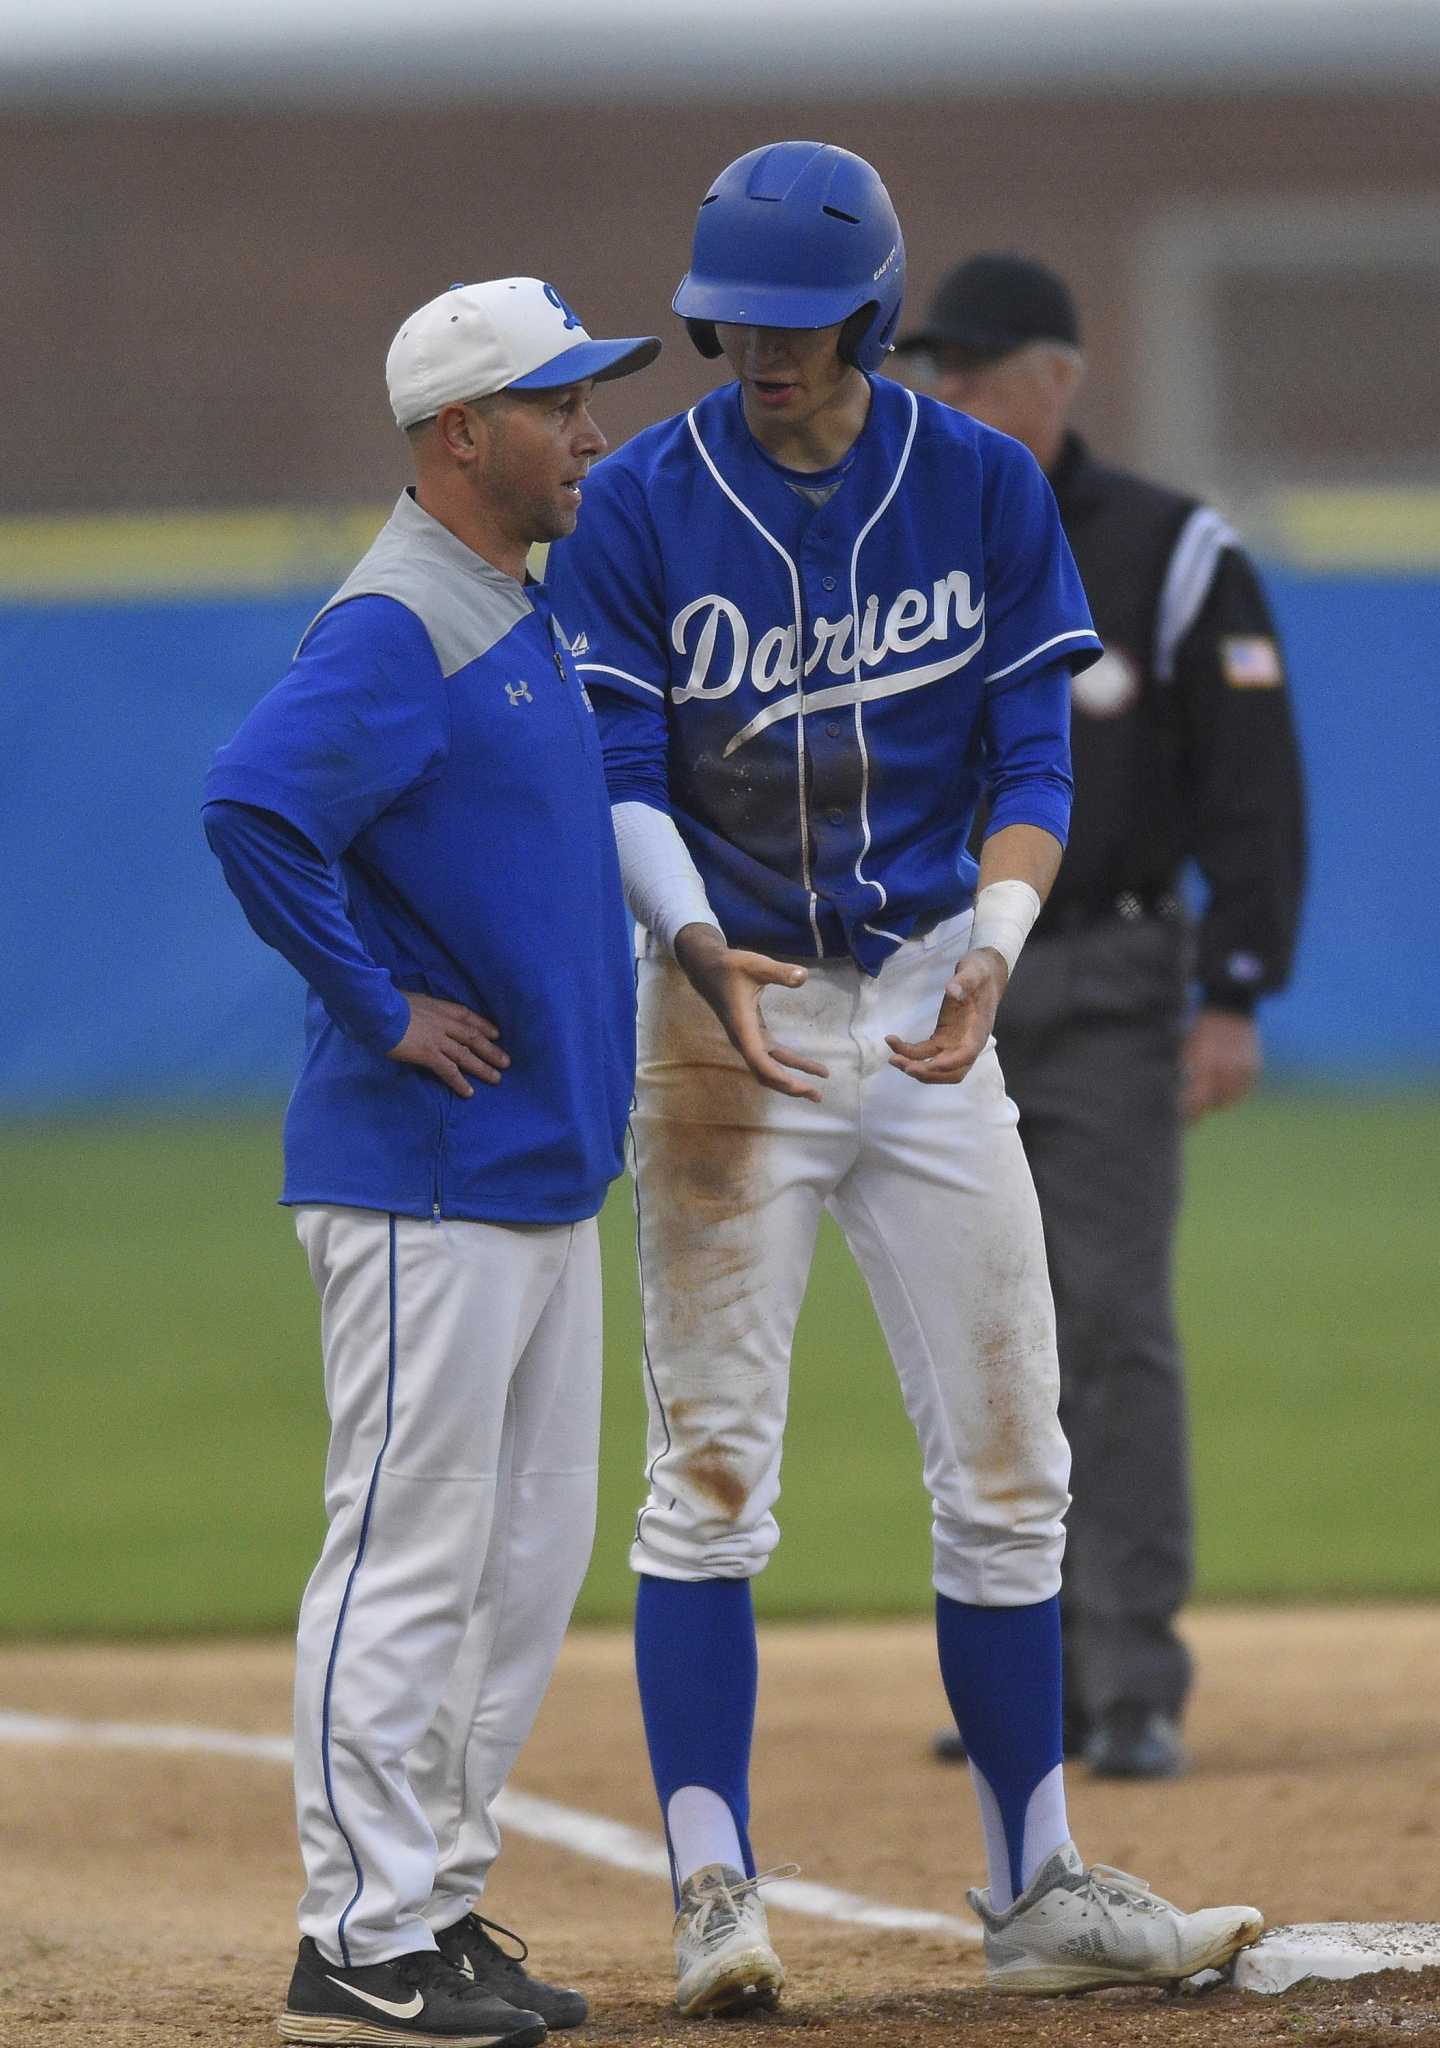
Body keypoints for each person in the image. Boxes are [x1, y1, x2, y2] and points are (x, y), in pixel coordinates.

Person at [546, 142, 1264, 2018]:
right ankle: (716, 1891)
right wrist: (699, 955)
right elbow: (620, 776)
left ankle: (1033, 1881)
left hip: (939, 983)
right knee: (709, 1479)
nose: (757, 350)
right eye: (730, 319)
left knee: (1015, 1465)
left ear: (868, 313)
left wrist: (997, 966)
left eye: (794, 320)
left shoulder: (974, 486)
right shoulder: (638, 502)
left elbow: (1038, 756)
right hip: (723, 1002)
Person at [202, 278, 661, 2048]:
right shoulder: (400, 621)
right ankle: (355, 1940)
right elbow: (252, 805)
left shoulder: (511, 609)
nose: (594, 432)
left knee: (526, 1559)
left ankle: (438, 1906)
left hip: (535, 1171)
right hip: (423, 1172)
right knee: (408, 1556)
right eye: (560, 403)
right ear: (462, 431)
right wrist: (382, 1004)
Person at [894, 255, 1307, 1780]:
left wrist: (1235, 994)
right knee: (980, 1336)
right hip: (936, 978)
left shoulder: (1170, 551)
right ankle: (1025, 1678)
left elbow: (1252, 792)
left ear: (1058, 377)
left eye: (979, 366)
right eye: (936, 368)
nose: (950, 394)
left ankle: (1131, 1679)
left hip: (1114, 978)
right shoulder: (906, 533)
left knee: (1111, 1326)